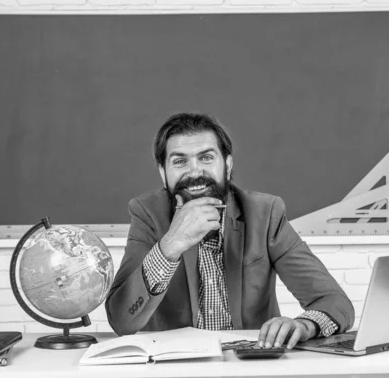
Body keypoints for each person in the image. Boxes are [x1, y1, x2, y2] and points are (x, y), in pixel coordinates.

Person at [105, 113, 354, 350]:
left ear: (228, 163)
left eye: (206, 157)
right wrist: (171, 244)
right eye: (180, 161)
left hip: (249, 365)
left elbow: (335, 303)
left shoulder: (265, 213)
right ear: (163, 173)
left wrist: (304, 325)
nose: (194, 172)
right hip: (177, 369)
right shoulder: (148, 214)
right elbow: (122, 321)